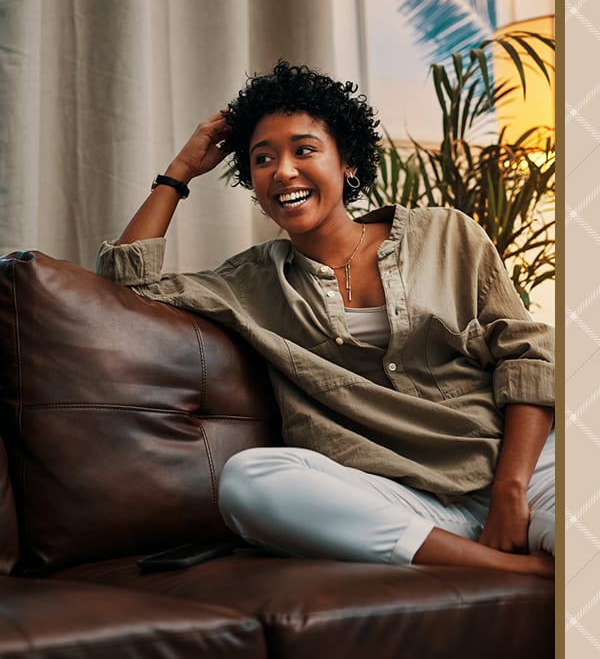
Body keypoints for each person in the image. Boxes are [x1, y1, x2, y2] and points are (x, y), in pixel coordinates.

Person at [96, 60, 555, 578]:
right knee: (250, 479)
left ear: (349, 162)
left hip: (526, 472)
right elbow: (123, 288)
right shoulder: (248, 285)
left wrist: (510, 493)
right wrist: (179, 172)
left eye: (304, 150)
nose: (283, 171)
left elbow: (529, 356)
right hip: (401, 497)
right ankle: (515, 570)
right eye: (262, 159)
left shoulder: (447, 235)